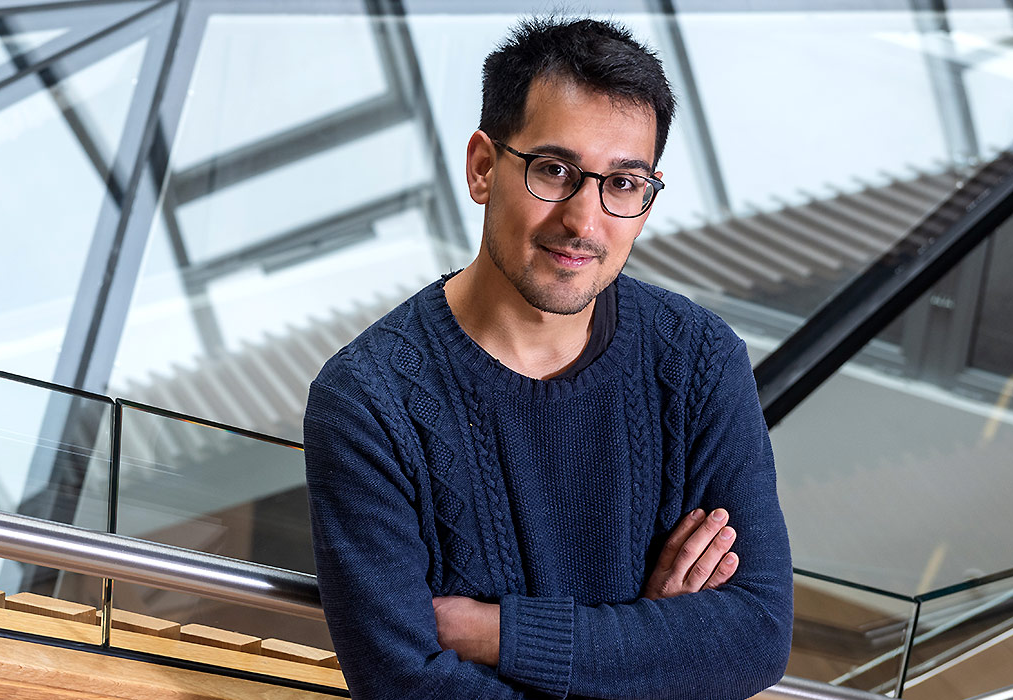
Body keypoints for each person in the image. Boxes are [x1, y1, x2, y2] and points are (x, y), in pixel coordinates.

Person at [301, 16, 793, 700]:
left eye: (623, 184)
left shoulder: (699, 358)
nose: (585, 223)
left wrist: (504, 635)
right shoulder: (368, 400)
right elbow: (406, 688)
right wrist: (652, 645)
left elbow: (756, 635)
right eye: (554, 170)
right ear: (482, 168)